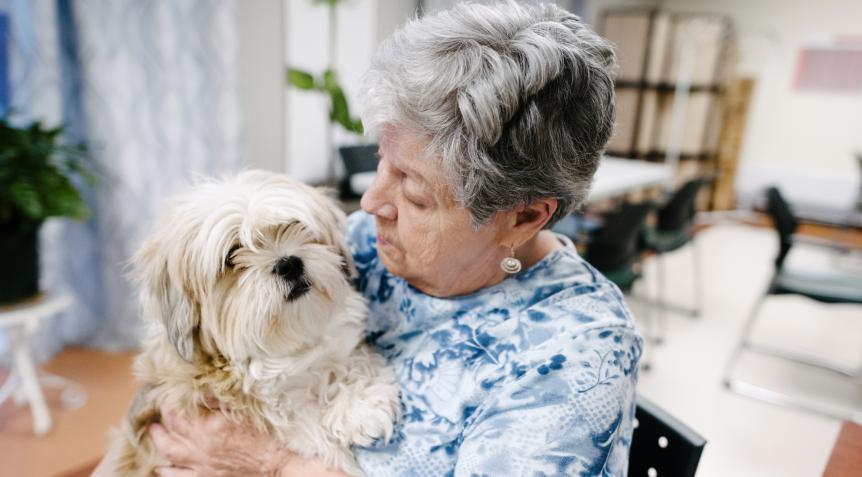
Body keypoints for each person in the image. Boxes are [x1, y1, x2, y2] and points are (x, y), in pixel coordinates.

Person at [148, 2, 642, 476]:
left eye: (414, 191)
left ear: (524, 217)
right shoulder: (365, 245)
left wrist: (273, 466)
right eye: (382, 161)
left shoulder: (574, 356)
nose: (370, 203)